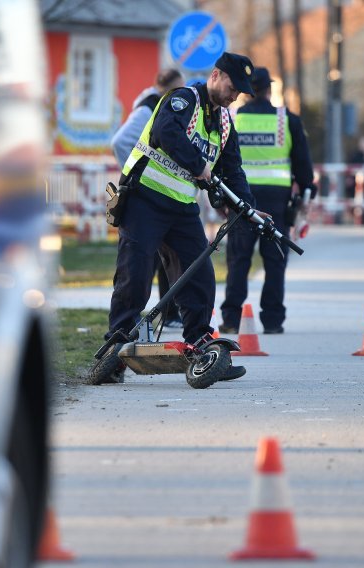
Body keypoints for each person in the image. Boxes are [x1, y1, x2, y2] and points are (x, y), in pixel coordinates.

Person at [106, 52, 261, 382]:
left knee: (199, 274)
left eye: (240, 93)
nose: (235, 96)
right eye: (234, 87)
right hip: (144, 198)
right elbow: (166, 133)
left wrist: (248, 207)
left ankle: (200, 344)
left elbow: (232, 169)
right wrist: (199, 166)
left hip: (180, 206)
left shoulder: (223, 123)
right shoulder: (182, 99)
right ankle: (116, 346)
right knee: (135, 273)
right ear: (216, 75)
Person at [219, 67, 315, 335]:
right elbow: (303, 165)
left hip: (240, 199)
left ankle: (231, 319)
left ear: (247, 91)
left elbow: (219, 159)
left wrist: (221, 200)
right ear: (269, 89)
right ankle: (272, 321)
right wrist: (307, 192)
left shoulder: (233, 119)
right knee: (275, 261)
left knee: (239, 260)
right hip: (276, 201)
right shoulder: (288, 121)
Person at [111, 69, 186, 329]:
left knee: (166, 258)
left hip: (165, 194)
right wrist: (134, 173)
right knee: (143, 264)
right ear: (163, 87)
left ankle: (170, 314)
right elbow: (120, 142)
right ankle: (141, 321)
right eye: (177, 88)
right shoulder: (147, 109)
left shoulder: (162, 105)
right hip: (147, 195)